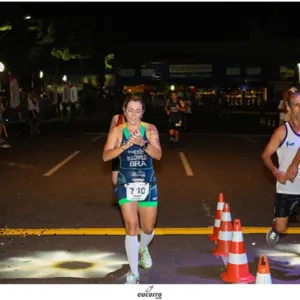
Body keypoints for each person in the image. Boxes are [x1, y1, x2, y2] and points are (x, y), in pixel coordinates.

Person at [103, 96, 162, 284]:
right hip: (126, 183)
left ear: (143, 112)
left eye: (138, 111)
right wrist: (125, 146)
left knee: (148, 228)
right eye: (130, 110)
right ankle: (134, 274)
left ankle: (143, 248)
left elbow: (158, 154)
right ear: (124, 110)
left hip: (147, 182)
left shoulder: (150, 129)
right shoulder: (117, 131)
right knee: (131, 227)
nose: (134, 115)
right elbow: (105, 156)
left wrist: (142, 144)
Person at [262, 92, 300, 247]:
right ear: (289, 108)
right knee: (281, 227)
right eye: (297, 105)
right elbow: (266, 155)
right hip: (287, 187)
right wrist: (275, 171)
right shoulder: (282, 132)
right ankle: (276, 228)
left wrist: (294, 164)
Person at [109, 110, 126, 194]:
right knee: (115, 181)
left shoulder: (136, 119)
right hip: (117, 152)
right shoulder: (116, 118)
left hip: (130, 154)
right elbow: (111, 133)